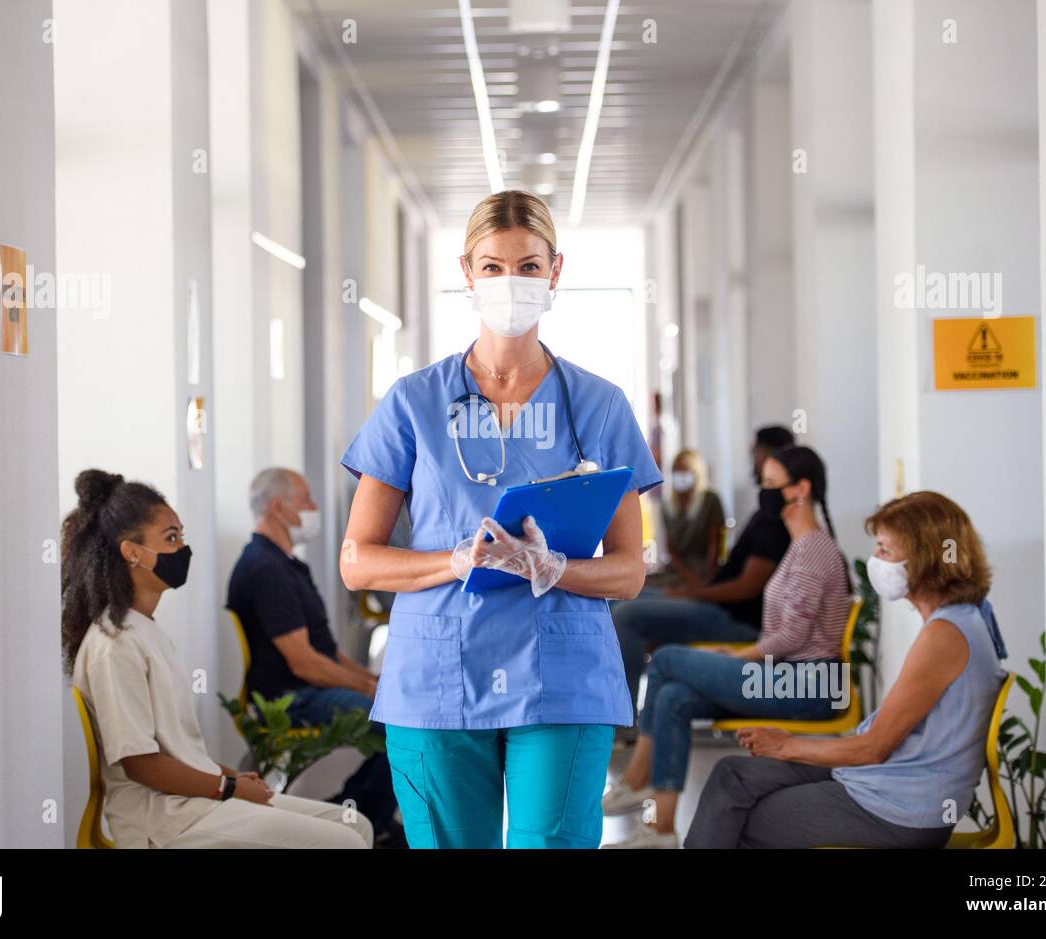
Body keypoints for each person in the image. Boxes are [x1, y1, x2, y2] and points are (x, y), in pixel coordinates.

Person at [338, 189, 663, 849]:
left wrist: (553, 567)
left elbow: (630, 572)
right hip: (436, 675)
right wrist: (452, 562)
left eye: (527, 265)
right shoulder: (413, 403)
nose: (509, 281)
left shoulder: (599, 406)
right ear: (466, 272)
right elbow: (357, 560)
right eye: (492, 266)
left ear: (555, 273)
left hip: (562, 674)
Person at [63, 468, 373, 849]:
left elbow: (180, 750)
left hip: (195, 802)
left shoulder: (145, 629)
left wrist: (232, 778)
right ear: (132, 552)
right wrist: (227, 787)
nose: (182, 550)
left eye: (181, 536)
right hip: (163, 822)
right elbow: (140, 764)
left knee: (357, 825)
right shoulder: (114, 643)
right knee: (347, 843)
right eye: (170, 538)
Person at [683, 491, 1007, 849]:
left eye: (885, 550)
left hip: (900, 810)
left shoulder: (945, 636)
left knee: (741, 819)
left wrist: (788, 744)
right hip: (889, 782)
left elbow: (873, 748)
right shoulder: (968, 616)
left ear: (925, 557)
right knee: (732, 775)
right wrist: (790, 745)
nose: (875, 560)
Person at [602, 445, 853, 847]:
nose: (764, 491)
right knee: (675, 698)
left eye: (772, 483)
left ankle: (635, 779)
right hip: (785, 676)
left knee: (666, 660)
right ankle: (661, 830)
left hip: (809, 686)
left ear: (800, 490)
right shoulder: (801, 547)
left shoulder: (813, 552)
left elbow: (793, 636)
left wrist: (737, 656)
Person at [227, 467, 402, 847]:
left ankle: (365, 816)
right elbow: (304, 662)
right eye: (305, 499)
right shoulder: (265, 569)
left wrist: (373, 682)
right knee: (398, 724)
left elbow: (328, 653)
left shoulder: (287, 565)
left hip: (308, 688)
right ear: (278, 508)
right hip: (292, 698)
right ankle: (361, 816)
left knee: (396, 709)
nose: (314, 507)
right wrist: (369, 687)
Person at [611, 425, 796, 719]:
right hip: (712, 601)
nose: (752, 459)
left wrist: (693, 592)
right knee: (618, 598)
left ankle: (624, 717)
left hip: (732, 617)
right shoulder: (765, 515)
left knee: (626, 616)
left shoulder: (774, 522)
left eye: (755, 453)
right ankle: (613, 706)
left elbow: (746, 587)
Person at [644, 449, 726, 590]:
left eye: (684, 471)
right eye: (676, 471)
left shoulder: (710, 500)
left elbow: (716, 543)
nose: (679, 476)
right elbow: (671, 549)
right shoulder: (668, 506)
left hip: (704, 571)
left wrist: (704, 580)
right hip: (678, 570)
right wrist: (688, 576)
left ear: (697, 473)